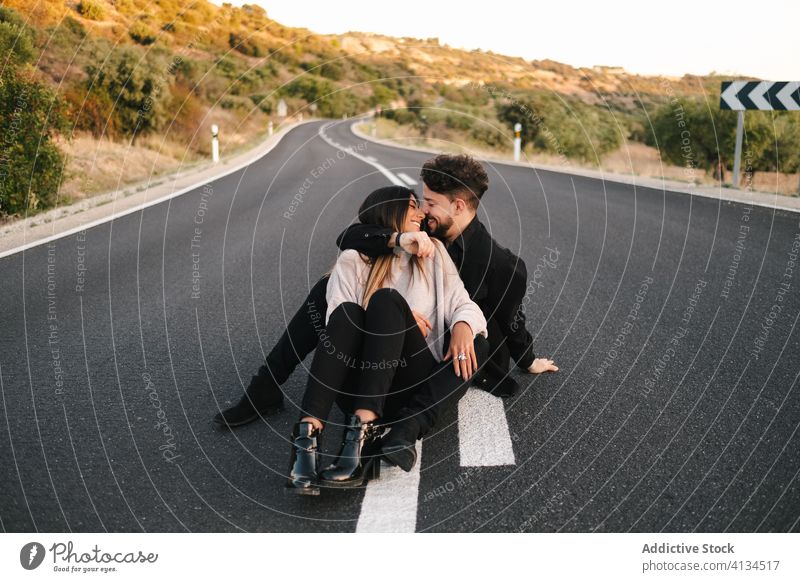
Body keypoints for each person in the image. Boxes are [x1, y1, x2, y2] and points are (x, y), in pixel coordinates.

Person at [213, 153, 557, 471]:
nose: (422, 210)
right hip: (385, 333)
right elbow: (351, 235)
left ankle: (401, 426)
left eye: (431, 203)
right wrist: (397, 241)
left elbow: (512, 320)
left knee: (469, 336)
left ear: (458, 204)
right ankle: (267, 388)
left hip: (441, 359)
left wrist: (527, 360)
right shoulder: (423, 230)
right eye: (420, 202)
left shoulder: (503, 266)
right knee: (328, 290)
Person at [285, 186, 487, 495]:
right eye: (411, 206)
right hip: (356, 380)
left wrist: (461, 323)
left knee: (390, 301)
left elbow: (464, 302)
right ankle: (305, 442)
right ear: (389, 212)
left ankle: (358, 439)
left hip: (407, 381)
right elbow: (337, 327)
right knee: (351, 311)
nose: (422, 213)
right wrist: (395, 320)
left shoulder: (433, 253)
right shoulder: (354, 258)